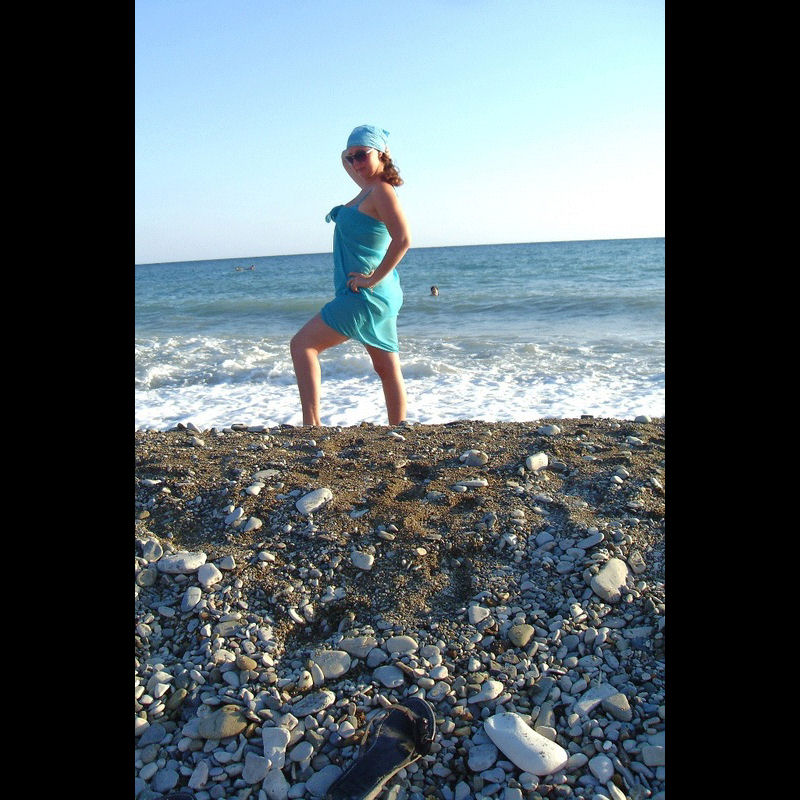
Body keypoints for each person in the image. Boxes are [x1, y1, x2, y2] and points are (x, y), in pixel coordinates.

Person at [290, 125, 411, 426]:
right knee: (386, 367)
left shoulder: (381, 191)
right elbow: (349, 161)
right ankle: (399, 430)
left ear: (381, 154)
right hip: (374, 293)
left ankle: (311, 426)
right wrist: (353, 152)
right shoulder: (367, 188)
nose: (355, 162)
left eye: (362, 155)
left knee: (302, 345)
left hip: (365, 294)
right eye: (350, 157)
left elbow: (403, 239)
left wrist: (371, 279)